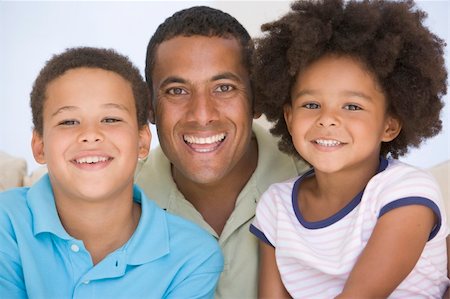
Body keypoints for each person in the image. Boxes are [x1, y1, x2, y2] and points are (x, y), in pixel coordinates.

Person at [249, 0, 449, 297]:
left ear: (390, 125)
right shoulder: (275, 207)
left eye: (352, 106)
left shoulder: (406, 191)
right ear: (289, 118)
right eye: (311, 104)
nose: (327, 119)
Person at [0, 47, 223, 298]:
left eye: (110, 119)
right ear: (39, 146)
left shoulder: (193, 256)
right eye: (68, 121)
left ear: (142, 141)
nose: (90, 134)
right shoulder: (6, 224)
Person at [134, 6, 310, 299]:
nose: (202, 115)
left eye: (224, 87)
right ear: (149, 106)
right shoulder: (118, 201)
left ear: (257, 98)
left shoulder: (320, 182)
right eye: (177, 90)